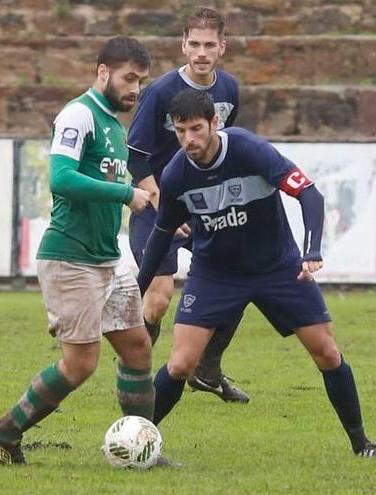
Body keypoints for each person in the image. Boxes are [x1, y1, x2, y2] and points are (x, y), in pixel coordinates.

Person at [138, 89, 376, 460]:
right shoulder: (177, 172)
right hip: (215, 274)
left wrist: (312, 250)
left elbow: (309, 194)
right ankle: (137, 443)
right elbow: (162, 233)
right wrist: (138, 286)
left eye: (196, 129)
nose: (189, 140)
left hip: (276, 267)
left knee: (326, 352)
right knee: (181, 363)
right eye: (180, 132)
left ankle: (363, 446)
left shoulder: (248, 150)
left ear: (215, 122)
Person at [0, 36, 159, 466]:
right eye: (128, 78)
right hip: (70, 257)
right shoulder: (79, 115)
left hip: (106, 258)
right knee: (80, 365)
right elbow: (60, 179)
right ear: (103, 72)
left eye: (141, 81)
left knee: (137, 347)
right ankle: (6, 431)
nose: (135, 89)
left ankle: (143, 449)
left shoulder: (115, 125)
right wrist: (123, 193)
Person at [127, 6, 249, 403]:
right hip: (158, 207)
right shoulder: (160, 92)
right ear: (183, 46)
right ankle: (137, 374)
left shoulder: (229, 89)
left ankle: (207, 369)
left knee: (238, 279)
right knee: (159, 295)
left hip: (206, 208)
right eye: (194, 44)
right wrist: (165, 207)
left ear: (222, 47)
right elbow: (136, 156)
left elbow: (227, 149)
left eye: (209, 45)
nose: (201, 52)